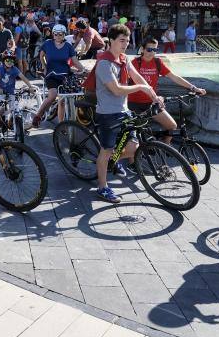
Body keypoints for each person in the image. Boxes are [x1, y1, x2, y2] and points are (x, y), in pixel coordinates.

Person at [93, 24, 161, 204]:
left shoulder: (123, 59)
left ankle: (110, 162)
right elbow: (116, 90)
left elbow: (138, 77)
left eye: (128, 41)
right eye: (121, 40)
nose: (125, 44)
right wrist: (139, 87)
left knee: (132, 148)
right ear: (111, 41)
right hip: (108, 113)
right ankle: (102, 187)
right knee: (106, 151)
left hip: (123, 111)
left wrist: (153, 95)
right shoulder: (104, 63)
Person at [128, 37, 206, 143]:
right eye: (149, 50)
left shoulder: (157, 62)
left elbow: (174, 77)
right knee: (134, 141)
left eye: (155, 50)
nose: (152, 53)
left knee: (172, 126)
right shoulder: (135, 63)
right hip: (133, 104)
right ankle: (133, 158)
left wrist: (193, 88)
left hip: (152, 103)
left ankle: (165, 148)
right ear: (142, 49)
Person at [32, 24, 82, 126]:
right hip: (51, 75)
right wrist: (44, 67)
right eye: (56, 34)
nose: (58, 36)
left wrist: (83, 69)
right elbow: (41, 56)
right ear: (53, 34)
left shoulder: (68, 46)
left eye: (60, 34)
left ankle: (61, 124)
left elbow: (75, 61)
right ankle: (38, 115)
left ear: (64, 35)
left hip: (65, 76)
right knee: (53, 95)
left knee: (62, 101)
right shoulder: (47, 44)